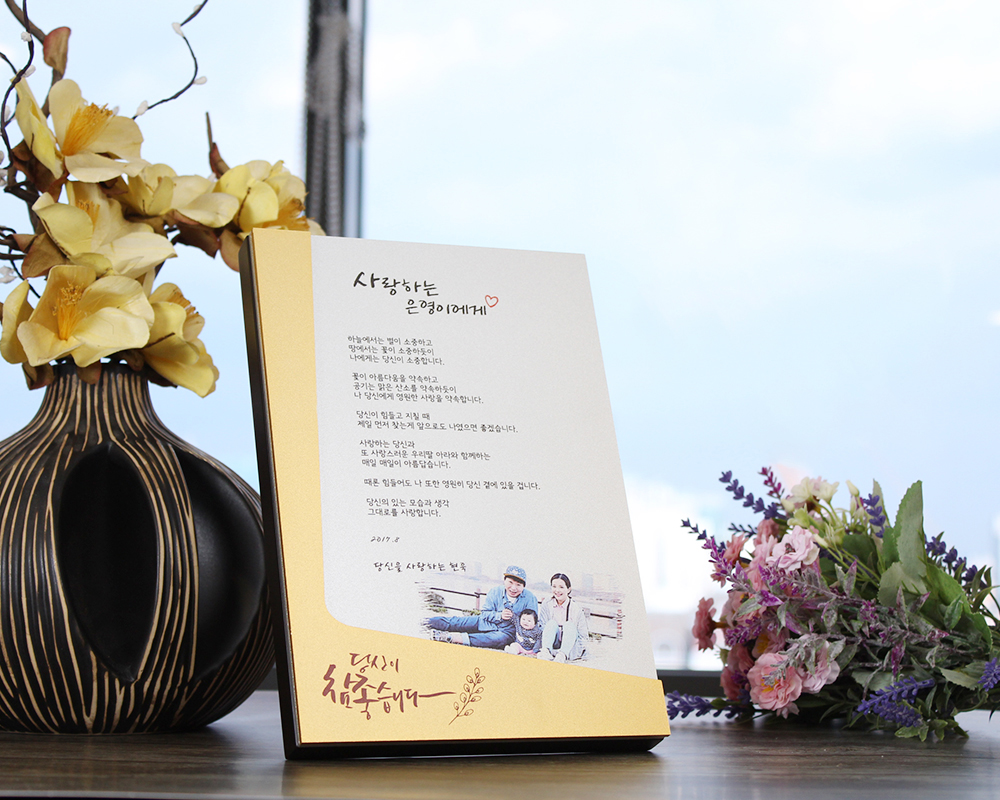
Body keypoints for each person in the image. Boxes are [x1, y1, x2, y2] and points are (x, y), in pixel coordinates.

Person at [426, 565, 538, 649]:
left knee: (495, 639)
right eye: (510, 582)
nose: (513, 588)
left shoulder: (530, 598)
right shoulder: (495, 591)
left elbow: (533, 623)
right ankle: (425, 622)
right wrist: (499, 615)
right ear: (504, 581)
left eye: (518, 585)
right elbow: (485, 613)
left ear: (523, 586)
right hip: (484, 621)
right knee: (457, 622)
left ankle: (449, 637)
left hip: (507, 632)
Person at [537, 572, 589, 662]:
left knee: (569, 625)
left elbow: (583, 636)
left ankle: (562, 655)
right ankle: (546, 652)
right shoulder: (547, 604)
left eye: (561, 587)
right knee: (551, 623)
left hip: (570, 646)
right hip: (552, 643)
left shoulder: (576, 608)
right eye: (554, 586)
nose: (557, 590)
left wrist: (575, 651)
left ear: (568, 589)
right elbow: (542, 627)